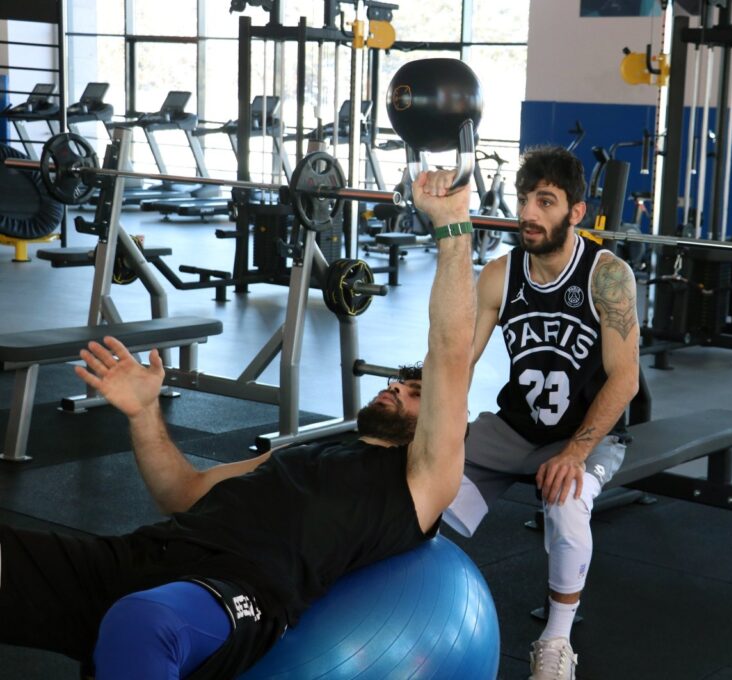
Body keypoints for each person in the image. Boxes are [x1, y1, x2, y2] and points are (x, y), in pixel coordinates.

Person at [0, 168, 476, 680]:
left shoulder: (420, 481)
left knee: (142, 624)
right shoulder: (304, 453)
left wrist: (453, 228)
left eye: (415, 395)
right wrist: (143, 414)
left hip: (235, 589)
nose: (396, 389)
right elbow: (184, 492)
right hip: (144, 556)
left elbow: (449, 353)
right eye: (400, 383)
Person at [443, 146, 640, 679]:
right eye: (525, 199)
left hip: (584, 434)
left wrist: (576, 453)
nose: (528, 213)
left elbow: (626, 379)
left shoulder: (608, 276)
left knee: (567, 504)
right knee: (425, 490)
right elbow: (460, 359)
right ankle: (416, 603)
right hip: (512, 427)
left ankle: (556, 641)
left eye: (545, 202)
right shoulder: (501, 275)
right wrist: (430, 424)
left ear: (575, 212)